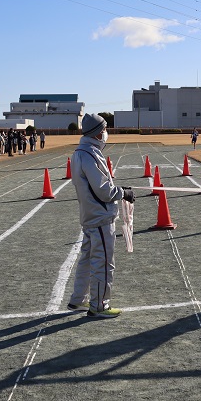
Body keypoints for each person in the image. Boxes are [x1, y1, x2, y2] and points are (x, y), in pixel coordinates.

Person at [68, 113, 134, 318]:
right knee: (103, 262)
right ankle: (99, 305)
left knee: (87, 260)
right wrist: (123, 192)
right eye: (104, 129)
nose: (106, 133)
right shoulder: (90, 154)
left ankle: (78, 299)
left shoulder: (81, 152)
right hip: (99, 217)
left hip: (90, 215)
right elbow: (104, 190)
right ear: (98, 133)